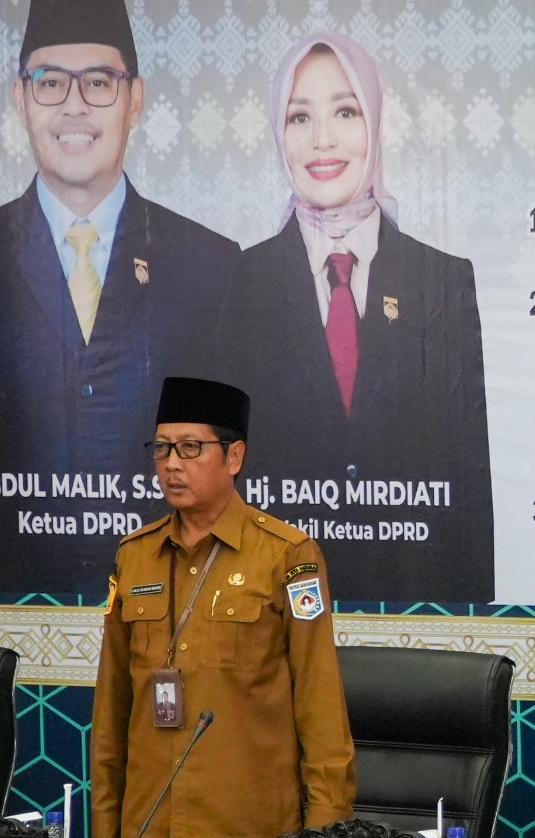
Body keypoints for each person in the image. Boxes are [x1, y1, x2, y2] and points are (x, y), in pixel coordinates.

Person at [0, 0, 238, 594]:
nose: (74, 105)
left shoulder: (209, 264)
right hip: (6, 605)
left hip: (173, 600)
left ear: (135, 100)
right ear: (20, 99)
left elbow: (229, 471)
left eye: (99, 82)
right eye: (50, 81)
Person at [206, 32, 493, 605]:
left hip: (411, 596)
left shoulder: (443, 279)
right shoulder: (237, 282)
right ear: (278, 134)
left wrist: (467, 623)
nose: (322, 140)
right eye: (299, 117)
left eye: (345, 111)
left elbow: (467, 487)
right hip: (267, 603)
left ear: (376, 123)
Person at [88, 377, 356, 838]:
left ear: (234, 456)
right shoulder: (135, 555)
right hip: (149, 833)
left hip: (249, 836)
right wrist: (105, 826)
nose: (172, 464)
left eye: (191, 448)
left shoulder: (287, 555)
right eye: (162, 448)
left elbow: (320, 702)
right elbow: (112, 702)